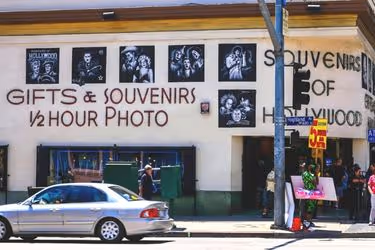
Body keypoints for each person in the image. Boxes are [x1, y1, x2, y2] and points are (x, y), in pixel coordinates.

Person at [302, 163, 320, 230]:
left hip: (307, 193)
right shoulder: (310, 175)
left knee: (307, 208)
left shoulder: (305, 173)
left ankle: (306, 223)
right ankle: (307, 223)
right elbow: (316, 182)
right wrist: (316, 174)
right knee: (310, 209)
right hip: (311, 193)